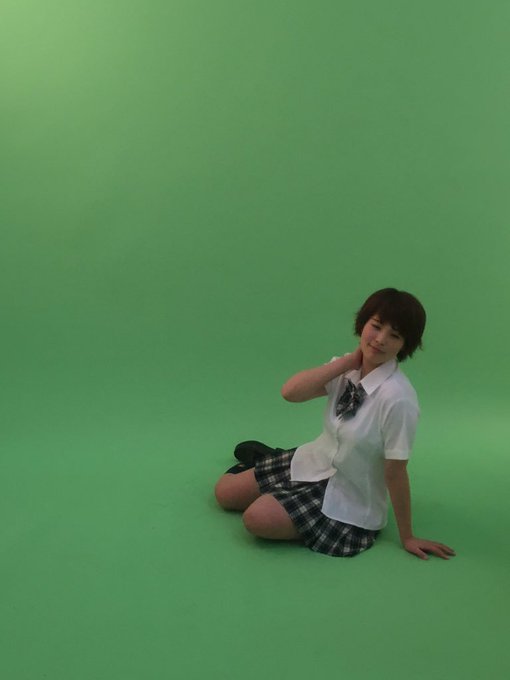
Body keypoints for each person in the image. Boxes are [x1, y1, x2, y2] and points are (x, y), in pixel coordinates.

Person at [214, 288, 456, 561]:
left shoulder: (399, 399)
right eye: (376, 326)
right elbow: (291, 393)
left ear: (404, 345)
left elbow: (396, 472)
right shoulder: (347, 369)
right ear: (363, 323)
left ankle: (274, 477)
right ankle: (273, 462)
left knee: (256, 518)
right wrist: (348, 362)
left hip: (349, 492)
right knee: (224, 493)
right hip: (315, 460)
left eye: (395, 335)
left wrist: (408, 536)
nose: (380, 339)